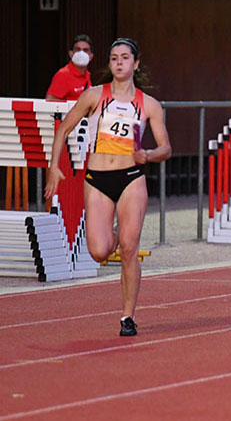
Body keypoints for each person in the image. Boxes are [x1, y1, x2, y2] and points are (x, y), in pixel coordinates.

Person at [44, 38, 171, 336]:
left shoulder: (149, 105)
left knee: (129, 249)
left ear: (135, 64)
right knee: (100, 250)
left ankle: (128, 316)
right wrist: (53, 167)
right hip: (98, 180)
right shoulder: (93, 96)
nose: (118, 62)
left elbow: (166, 148)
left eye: (125, 57)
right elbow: (64, 128)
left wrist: (149, 155)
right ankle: (114, 231)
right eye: (114, 58)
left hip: (131, 178)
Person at [46, 34, 94, 101]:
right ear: (71, 54)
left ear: (91, 56)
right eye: (78, 49)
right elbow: (50, 100)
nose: (81, 53)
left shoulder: (87, 75)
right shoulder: (63, 74)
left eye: (85, 50)